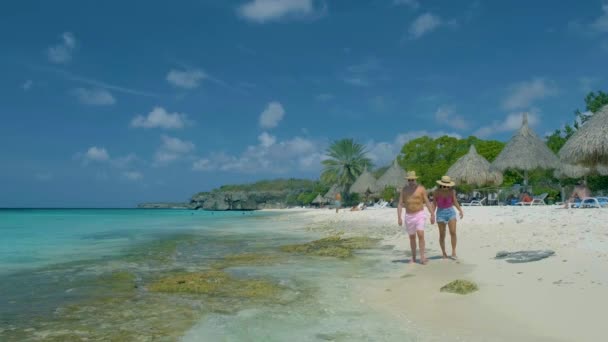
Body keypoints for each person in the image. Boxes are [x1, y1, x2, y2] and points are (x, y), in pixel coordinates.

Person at [397, 171, 435, 265]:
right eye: (409, 180)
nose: (411, 181)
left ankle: (422, 257)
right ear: (407, 180)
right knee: (412, 237)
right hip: (409, 216)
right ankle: (413, 257)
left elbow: (427, 201)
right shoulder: (404, 190)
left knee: (421, 234)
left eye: (412, 180)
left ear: (415, 179)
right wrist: (399, 217)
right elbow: (400, 204)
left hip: (419, 214)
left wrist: (432, 214)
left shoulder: (421, 189)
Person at [432, 176, 464, 259]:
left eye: (447, 186)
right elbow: (434, 204)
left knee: (453, 232)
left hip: (450, 212)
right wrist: (432, 214)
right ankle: (443, 252)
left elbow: (455, 201)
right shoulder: (436, 192)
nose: (445, 187)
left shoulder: (452, 191)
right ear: (440, 185)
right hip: (440, 213)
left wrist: (460, 210)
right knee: (442, 234)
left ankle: (453, 251)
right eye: (443, 186)